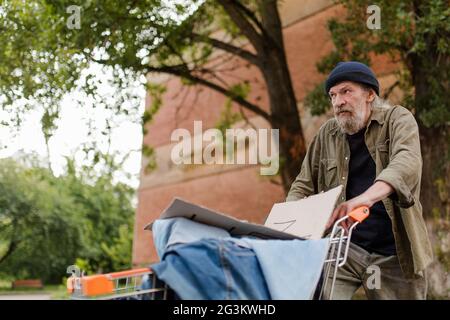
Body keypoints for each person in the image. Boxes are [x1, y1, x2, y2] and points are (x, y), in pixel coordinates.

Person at [286, 61, 433, 300]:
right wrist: (288, 225)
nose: (337, 102)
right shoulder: (326, 134)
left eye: (346, 91)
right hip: (344, 247)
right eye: (332, 95)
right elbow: (302, 185)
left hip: (395, 253)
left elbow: (406, 164)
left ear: (370, 94)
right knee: (311, 292)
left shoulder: (398, 119)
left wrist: (364, 199)